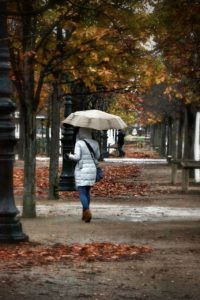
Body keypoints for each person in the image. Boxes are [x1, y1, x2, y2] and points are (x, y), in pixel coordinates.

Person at [67, 127, 100, 223]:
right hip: (92, 170)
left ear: (81, 133)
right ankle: (84, 214)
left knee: (82, 192)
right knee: (87, 192)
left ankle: (87, 211)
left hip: (82, 170)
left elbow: (77, 157)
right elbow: (97, 156)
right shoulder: (95, 143)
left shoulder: (79, 143)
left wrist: (69, 156)